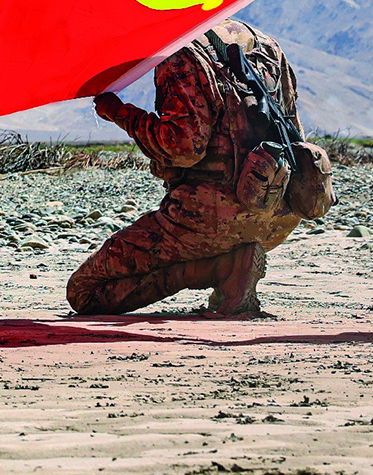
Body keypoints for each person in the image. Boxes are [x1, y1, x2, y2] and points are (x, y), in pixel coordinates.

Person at [68, 20, 307, 316]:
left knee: (84, 291)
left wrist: (120, 114)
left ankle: (219, 269)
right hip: (277, 214)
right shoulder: (267, 46)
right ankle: (232, 271)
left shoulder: (181, 52)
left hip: (208, 218)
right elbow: (296, 136)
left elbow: (183, 148)